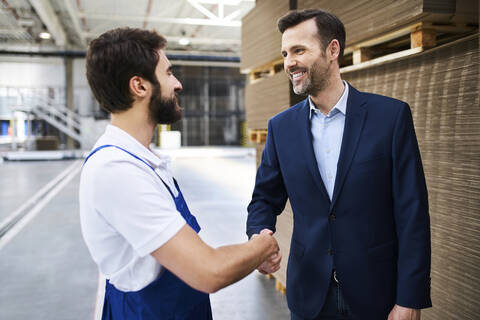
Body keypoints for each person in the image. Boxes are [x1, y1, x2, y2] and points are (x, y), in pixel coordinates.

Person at [79, 27, 280, 320]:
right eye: (169, 73)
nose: (178, 83)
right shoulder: (117, 170)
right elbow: (208, 271)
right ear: (140, 86)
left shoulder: (143, 161)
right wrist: (262, 246)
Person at [246, 9, 431, 320]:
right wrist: (258, 236)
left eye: (299, 50)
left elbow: (412, 212)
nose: (289, 62)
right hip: (309, 295)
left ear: (333, 50)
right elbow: (264, 198)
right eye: (285, 53)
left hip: (377, 295)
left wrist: (409, 298)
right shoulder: (282, 127)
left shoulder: (390, 117)